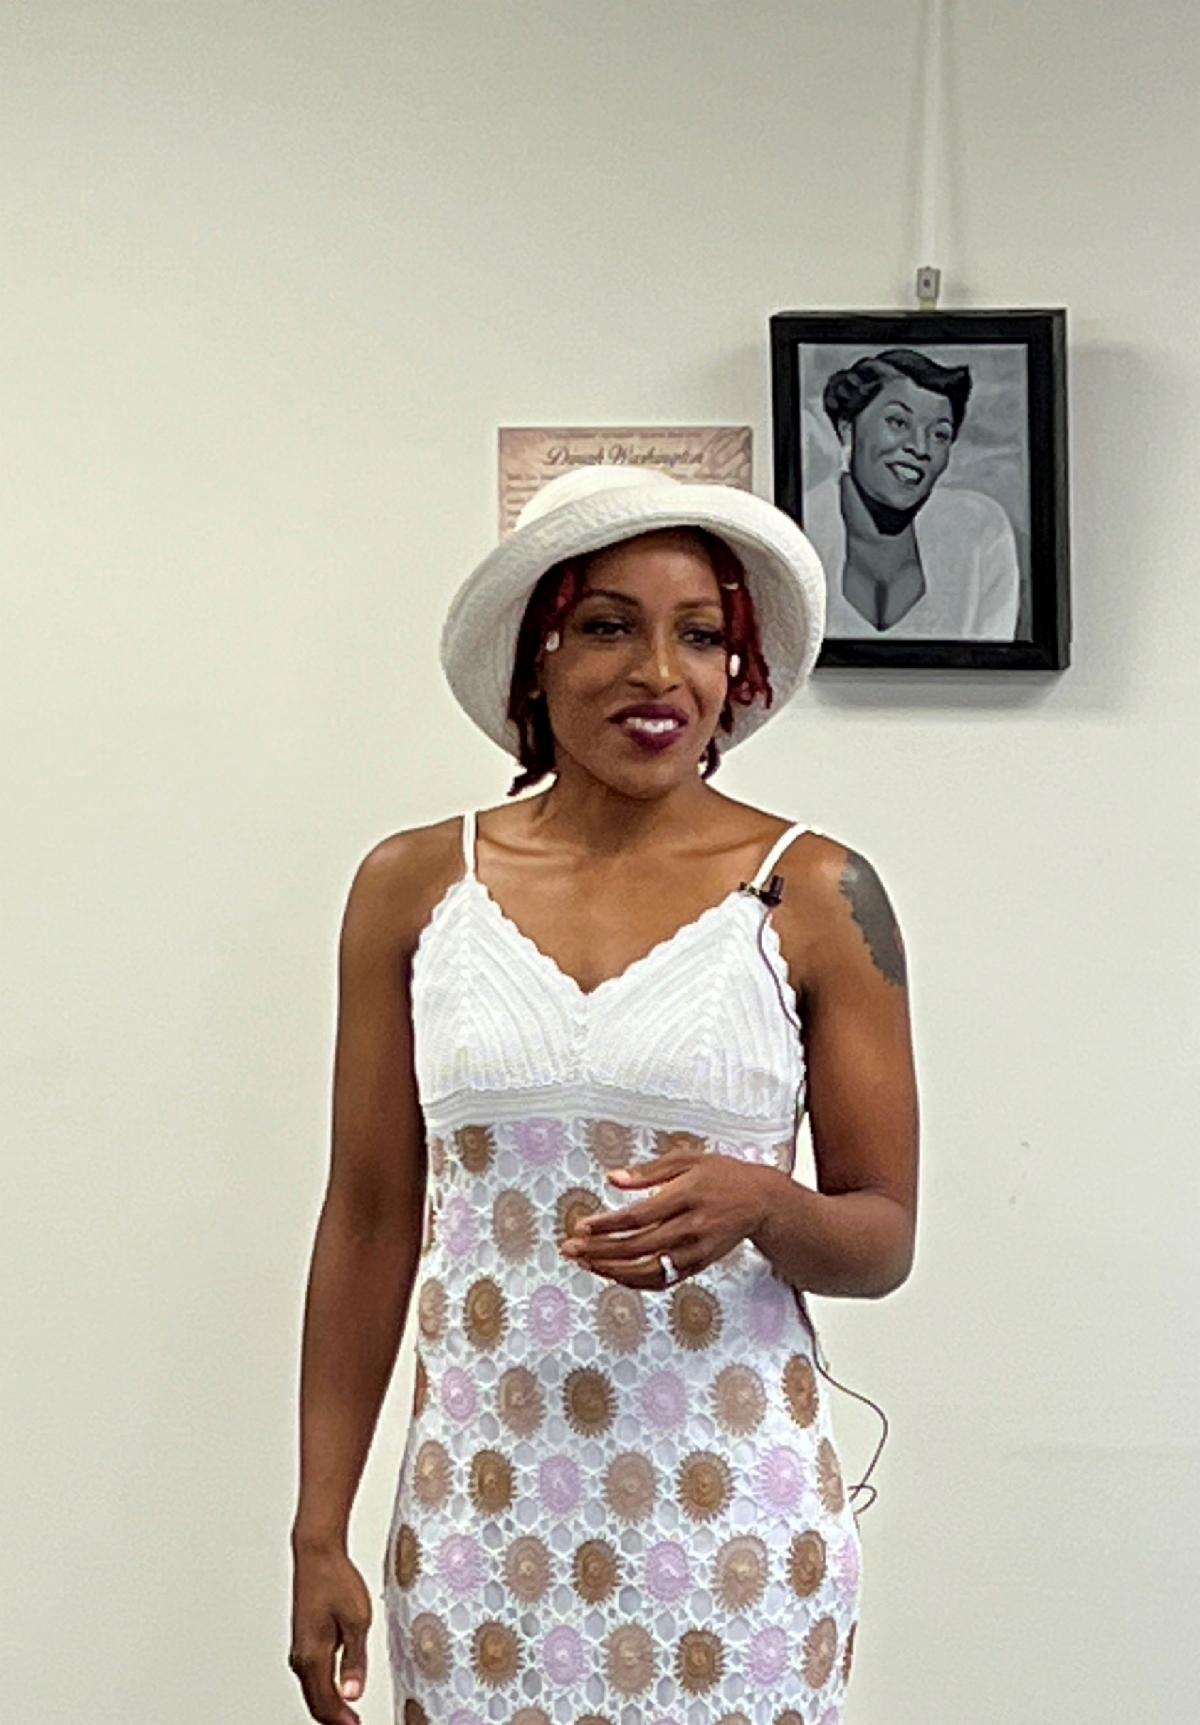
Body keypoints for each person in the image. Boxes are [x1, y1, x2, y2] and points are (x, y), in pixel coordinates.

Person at [287, 463, 920, 1725]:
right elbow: (366, 1221)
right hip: (480, 1515)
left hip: (735, 1531)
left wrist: (762, 1203)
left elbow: (883, 1237)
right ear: (535, 655)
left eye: (702, 636)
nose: (660, 673)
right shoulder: (414, 888)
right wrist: (318, 1530)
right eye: (609, 627)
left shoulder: (817, 893)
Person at [803, 347, 1021, 639]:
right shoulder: (800, 525)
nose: (920, 447)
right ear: (847, 428)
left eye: (939, 434)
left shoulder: (981, 532)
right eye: (898, 422)